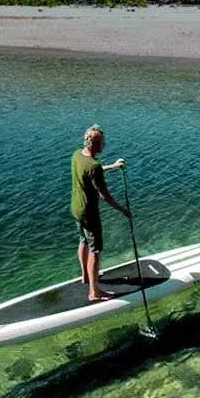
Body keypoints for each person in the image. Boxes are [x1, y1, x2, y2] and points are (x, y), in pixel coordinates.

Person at [70, 124, 131, 302]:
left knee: (83, 241)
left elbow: (90, 171)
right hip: (89, 212)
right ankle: (94, 292)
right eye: (102, 142)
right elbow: (105, 196)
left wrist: (112, 166)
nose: (104, 144)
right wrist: (123, 211)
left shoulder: (77, 155)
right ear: (96, 144)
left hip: (75, 208)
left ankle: (85, 277)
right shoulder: (94, 165)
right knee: (95, 250)